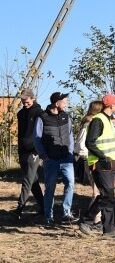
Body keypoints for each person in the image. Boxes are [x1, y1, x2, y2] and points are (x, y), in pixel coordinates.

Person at [79, 93, 115, 238]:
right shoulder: (98, 120)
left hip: (109, 163)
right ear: (111, 105)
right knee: (106, 196)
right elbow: (89, 142)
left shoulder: (107, 120)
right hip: (101, 163)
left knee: (109, 196)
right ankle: (86, 221)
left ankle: (109, 229)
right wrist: (102, 156)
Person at [33, 91, 76, 226]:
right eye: (65, 101)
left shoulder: (66, 116)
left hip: (66, 159)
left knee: (70, 184)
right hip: (50, 160)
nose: (66, 103)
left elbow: (70, 136)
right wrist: (43, 155)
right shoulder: (42, 117)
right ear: (57, 103)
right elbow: (37, 138)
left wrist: (70, 152)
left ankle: (66, 212)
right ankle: (48, 216)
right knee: (50, 188)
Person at [14, 89, 44, 221]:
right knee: (33, 181)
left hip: (33, 151)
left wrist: (37, 150)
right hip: (22, 150)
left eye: (26, 101)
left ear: (33, 98)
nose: (24, 103)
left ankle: (19, 208)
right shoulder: (20, 113)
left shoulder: (39, 113)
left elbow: (41, 133)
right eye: (22, 101)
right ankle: (44, 207)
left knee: (27, 180)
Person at [75, 100, 104, 226]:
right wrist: (86, 157)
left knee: (97, 190)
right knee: (96, 191)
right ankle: (94, 219)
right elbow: (81, 144)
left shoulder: (88, 122)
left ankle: (95, 218)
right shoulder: (90, 123)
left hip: (90, 159)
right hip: (90, 160)